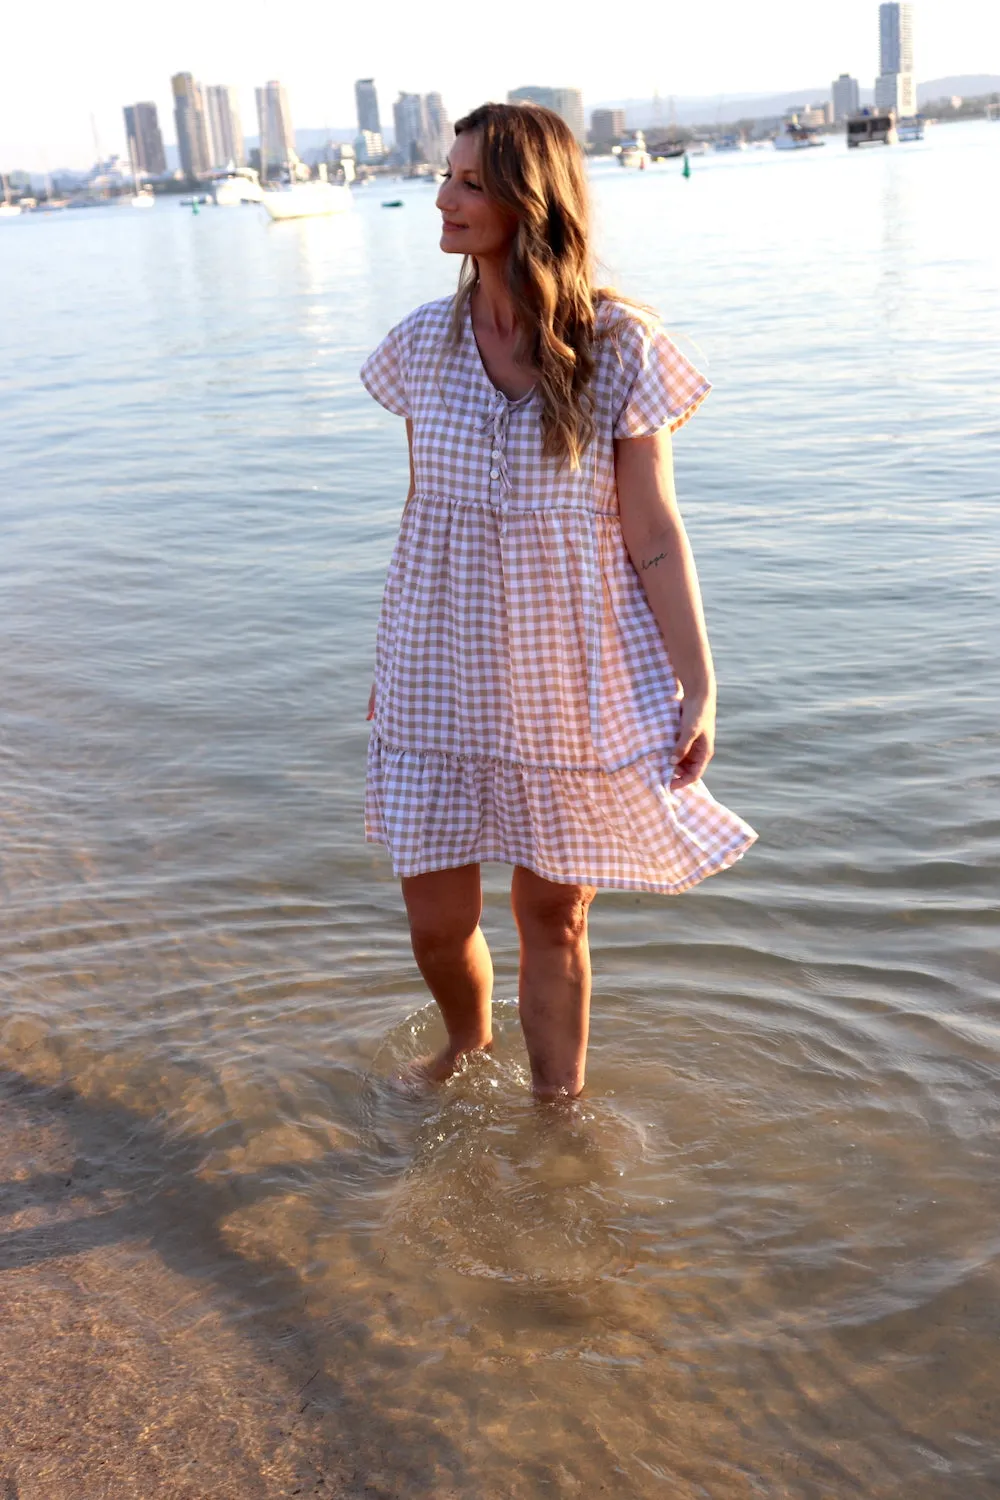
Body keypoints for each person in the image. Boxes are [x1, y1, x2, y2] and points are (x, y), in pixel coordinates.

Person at [360, 102, 756, 1101]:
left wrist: (697, 682)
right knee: (436, 923)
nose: (443, 199)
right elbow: (422, 521)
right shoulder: (420, 347)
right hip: (436, 671)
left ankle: (555, 1118)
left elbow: (653, 530)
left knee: (555, 919)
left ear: (528, 202)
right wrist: (384, 669)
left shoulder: (620, 345)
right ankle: (464, 1045)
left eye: (469, 182)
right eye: (445, 176)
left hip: (569, 677)